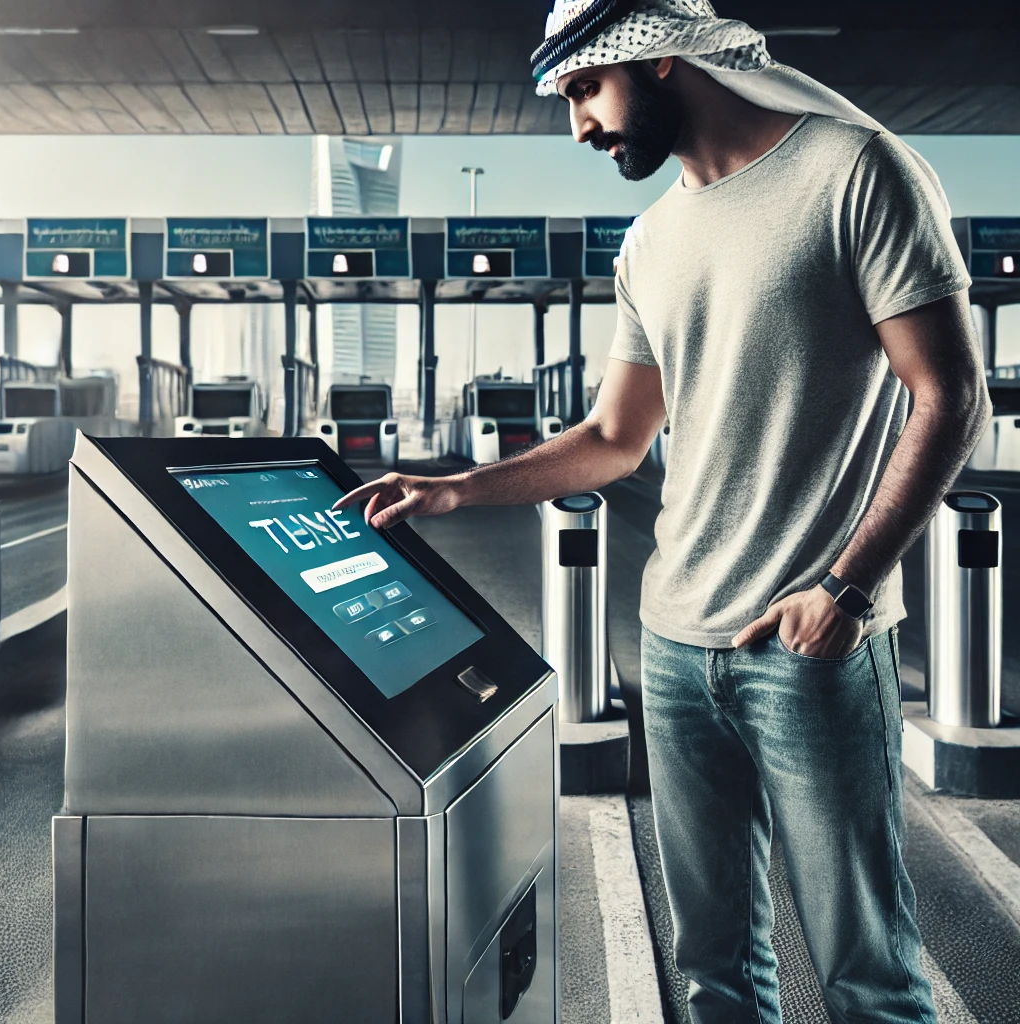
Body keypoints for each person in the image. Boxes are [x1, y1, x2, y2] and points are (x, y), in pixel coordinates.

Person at [334, 2, 991, 1021]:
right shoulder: (650, 243)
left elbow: (949, 397)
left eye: (584, 92)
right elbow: (612, 439)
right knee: (714, 972)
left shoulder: (853, 172)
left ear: (660, 58)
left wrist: (844, 591)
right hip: (676, 651)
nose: (579, 128)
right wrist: (456, 489)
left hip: (808, 650)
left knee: (868, 976)